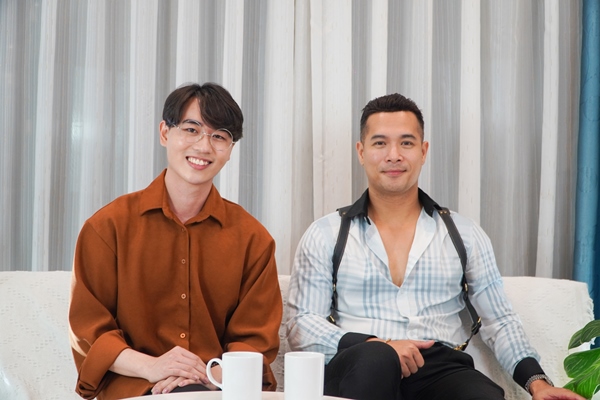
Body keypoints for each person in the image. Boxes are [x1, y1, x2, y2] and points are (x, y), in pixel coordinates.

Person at [286, 93, 584, 400]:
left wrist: (538, 383)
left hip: (438, 367)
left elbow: (499, 320)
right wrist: (376, 344)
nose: (393, 155)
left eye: (406, 143)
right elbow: (301, 325)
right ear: (361, 152)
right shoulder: (325, 234)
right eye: (380, 143)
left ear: (423, 151)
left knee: (482, 397)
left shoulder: (464, 234)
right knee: (377, 360)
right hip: (360, 364)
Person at [69, 82, 282, 400]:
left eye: (219, 136)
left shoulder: (253, 239)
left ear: (230, 150)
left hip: (214, 389)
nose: (204, 146)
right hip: (133, 387)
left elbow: (255, 341)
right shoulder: (107, 227)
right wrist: (153, 367)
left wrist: (209, 376)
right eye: (191, 129)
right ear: (165, 133)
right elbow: (89, 332)